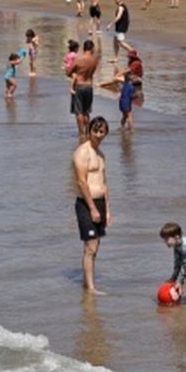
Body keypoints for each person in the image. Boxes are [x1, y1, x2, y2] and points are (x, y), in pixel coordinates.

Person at [71, 116, 111, 294]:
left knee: (95, 248)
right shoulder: (82, 152)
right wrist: (92, 208)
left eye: (102, 132)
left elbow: (104, 183)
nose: (98, 135)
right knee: (90, 247)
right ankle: (91, 288)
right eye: (96, 131)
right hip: (86, 204)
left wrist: (108, 210)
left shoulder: (101, 155)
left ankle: (87, 284)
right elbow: (81, 182)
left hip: (100, 203)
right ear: (89, 131)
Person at [68, 39, 99, 139]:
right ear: (92, 48)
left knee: (79, 111)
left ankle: (82, 133)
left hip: (79, 86)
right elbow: (92, 72)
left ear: (84, 48)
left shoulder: (78, 59)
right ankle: (87, 131)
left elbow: (69, 72)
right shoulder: (95, 60)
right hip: (89, 86)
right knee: (86, 111)